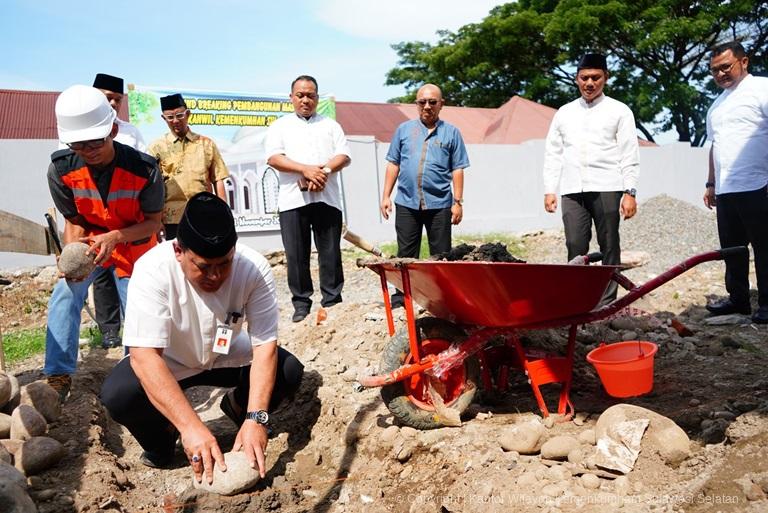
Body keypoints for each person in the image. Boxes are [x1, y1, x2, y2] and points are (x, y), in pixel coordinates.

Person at [100, 192, 304, 482]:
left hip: (225, 355)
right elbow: (145, 358)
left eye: (224, 263)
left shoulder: (253, 269)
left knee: (288, 371)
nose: (215, 275)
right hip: (169, 362)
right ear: (179, 251)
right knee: (119, 395)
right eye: (204, 266)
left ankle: (237, 407)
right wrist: (190, 426)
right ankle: (164, 434)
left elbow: (264, 346)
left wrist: (256, 416)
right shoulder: (152, 271)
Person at [46, 85, 164, 401]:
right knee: (64, 293)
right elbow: (73, 219)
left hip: (134, 244)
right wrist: (73, 257)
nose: (89, 149)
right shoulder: (61, 169)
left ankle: (136, 374)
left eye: (96, 141)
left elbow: (154, 222)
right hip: (91, 245)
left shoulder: (144, 168)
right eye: (79, 144)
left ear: (112, 129)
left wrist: (115, 237)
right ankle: (57, 375)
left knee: (139, 310)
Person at [542, 53, 639, 304]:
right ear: (576, 79)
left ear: (605, 78)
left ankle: (607, 303)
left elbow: (629, 152)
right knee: (575, 244)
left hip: (607, 185)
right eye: (584, 78)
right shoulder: (564, 112)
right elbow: (553, 152)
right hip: (572, 188)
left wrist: (630, 191)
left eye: (595, 77)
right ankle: (578, 300)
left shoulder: (619, 111)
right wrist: (549, 189)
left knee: (609, 243)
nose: (589, 83)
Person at [265, 75, 351, 322]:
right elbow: (273, 158)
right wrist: (304, 170)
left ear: (317, 97)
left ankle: (332, 301)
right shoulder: (280, 126)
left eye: (310, 95)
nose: (305, 100)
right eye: (300, 95)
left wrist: (321, 172)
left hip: (328, 198)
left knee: (330, 252)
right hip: (293, 200)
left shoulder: (331, 125)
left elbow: (343, 155)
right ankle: (301, 304)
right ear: (291, 97)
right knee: (296, 254)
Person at [379, 84, 468, 307]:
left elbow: (458, 168)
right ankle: (402, 297)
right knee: (406, 253)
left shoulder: (452, 133)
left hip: (440, 204)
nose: (427, 106)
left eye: (432, 102)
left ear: (441, 104)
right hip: (407, 202)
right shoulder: (404, 130)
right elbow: (394, 163)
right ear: (416, 104)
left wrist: (457, 202)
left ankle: (443, 298)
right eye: (422, 102)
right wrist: (386, 196)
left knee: (441, 255)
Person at [703, 41, 768, 324]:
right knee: (733, 249)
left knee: (764, 247)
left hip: (759, 184)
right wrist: (710, 183)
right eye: (714, 70)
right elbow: (715, 145)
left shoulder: (762, 89)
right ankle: (738, 299)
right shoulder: (716, 106)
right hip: (728, 189)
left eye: (725, 67)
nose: (720, 74)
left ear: (744, 62)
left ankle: (767, 303)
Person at [90, 72, 147, 349]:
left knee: (130, 282)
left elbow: (147, 172)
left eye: (116, 99)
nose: (112, 103)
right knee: (102, 278)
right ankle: (110, 330)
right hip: (94, 220)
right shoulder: (79, 128)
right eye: (106, 98)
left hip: (127, 222)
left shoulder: (130, 132)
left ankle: (135, 340)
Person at [148, 93, 230, 240]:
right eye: (170, 117)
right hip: (171, 219)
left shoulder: (206, 144)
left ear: (188, 114)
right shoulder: (156, 148)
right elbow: (153, 187)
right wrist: (156, 220)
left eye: (179, 115)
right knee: (178, 258)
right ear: (163, 118)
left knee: (204, 257)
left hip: (203, 213)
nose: (175, 121)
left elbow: (218, 179)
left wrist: (223, 212)